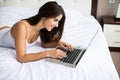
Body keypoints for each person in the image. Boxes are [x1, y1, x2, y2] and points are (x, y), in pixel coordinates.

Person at [0, 1, 73, 63]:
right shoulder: (22, 27)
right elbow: (22, 58)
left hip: (9, 32)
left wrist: (58, 43)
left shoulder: (42, 27)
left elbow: (44, 44)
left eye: (58, 21)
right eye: (55, 20)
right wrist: (48, 53)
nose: (57, 25)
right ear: (45, 16)